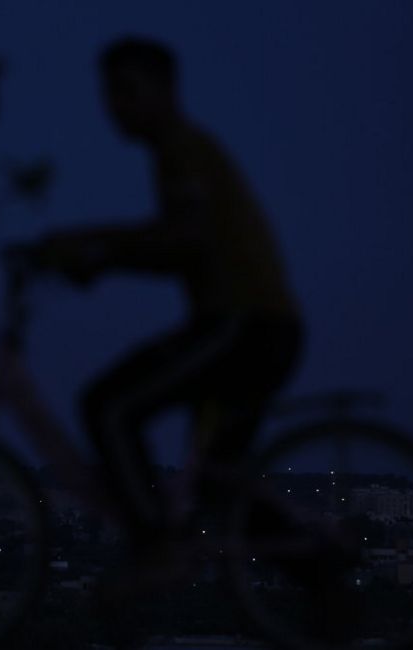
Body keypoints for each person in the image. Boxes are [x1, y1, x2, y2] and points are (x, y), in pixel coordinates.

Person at [20, 37, 304, 551]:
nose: (115, 107)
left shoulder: (182, 149)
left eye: (127, 91)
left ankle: (154, 549)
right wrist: (101, 256)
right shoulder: (178, 152)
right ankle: (322, 579)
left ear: (166, 89)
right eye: (109, 94)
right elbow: (174, 244)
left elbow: (182, 241)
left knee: (109, 406)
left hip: (245, 325)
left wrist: (93, 248)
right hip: (259, 327)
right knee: (219, 482)